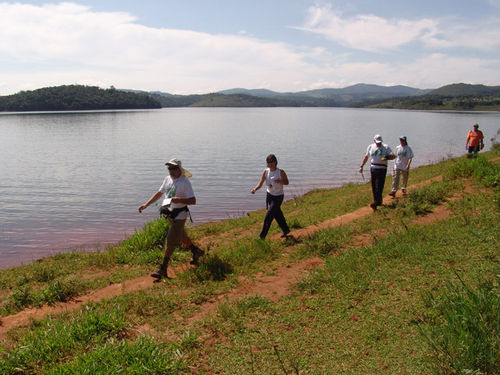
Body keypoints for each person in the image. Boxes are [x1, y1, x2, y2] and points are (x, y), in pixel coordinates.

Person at [138, 158, 203, 279]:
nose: (171, 171)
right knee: (182, 237)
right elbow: (159, 194)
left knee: (171, 240)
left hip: (180, 214)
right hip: (169, 213)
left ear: (179, 169)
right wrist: (146, 205)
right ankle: (196, 251)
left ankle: (163, 269)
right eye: (169, 168)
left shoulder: (185, 183)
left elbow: (193, 201)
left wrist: (180, 200)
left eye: (173, 168)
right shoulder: (167, 179)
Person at [251, 154, 291, 239]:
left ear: (275, 162)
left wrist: (281, 181)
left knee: (269, 215)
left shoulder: (280, 171)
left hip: (278, 197)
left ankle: (262, 236)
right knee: (277, 214)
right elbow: (261, 183)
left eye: (271, 162)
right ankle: (286, 229)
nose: (269, 164)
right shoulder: (266, 171)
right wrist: (255, 189)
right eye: (268, 162)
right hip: (269, 196)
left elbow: (287, 182)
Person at [359, 134, 395, 211]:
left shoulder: (386, 147)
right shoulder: (370, 147)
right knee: (374, 186)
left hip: (382, 168)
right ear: (374, 141)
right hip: (373, 167)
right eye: (377, 142)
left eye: (380, 142)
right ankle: (377, 201)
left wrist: (386, 157)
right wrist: (362, 166)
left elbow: (393, 156)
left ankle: (376, 202)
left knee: (379, 185)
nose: (379, 144)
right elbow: (366, 157)